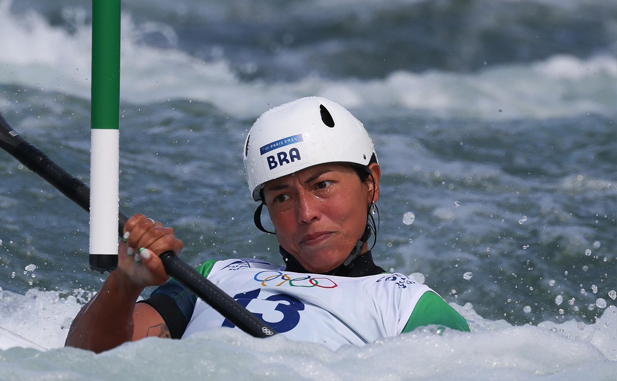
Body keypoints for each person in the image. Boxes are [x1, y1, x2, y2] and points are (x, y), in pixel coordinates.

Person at [66, 96, 469, 352]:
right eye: (282, 197)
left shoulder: (408, 307)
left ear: (371, 183)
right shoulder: (212, 279)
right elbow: (89, 364)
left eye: (323, 185)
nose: (306, 212)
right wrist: (124, 284)